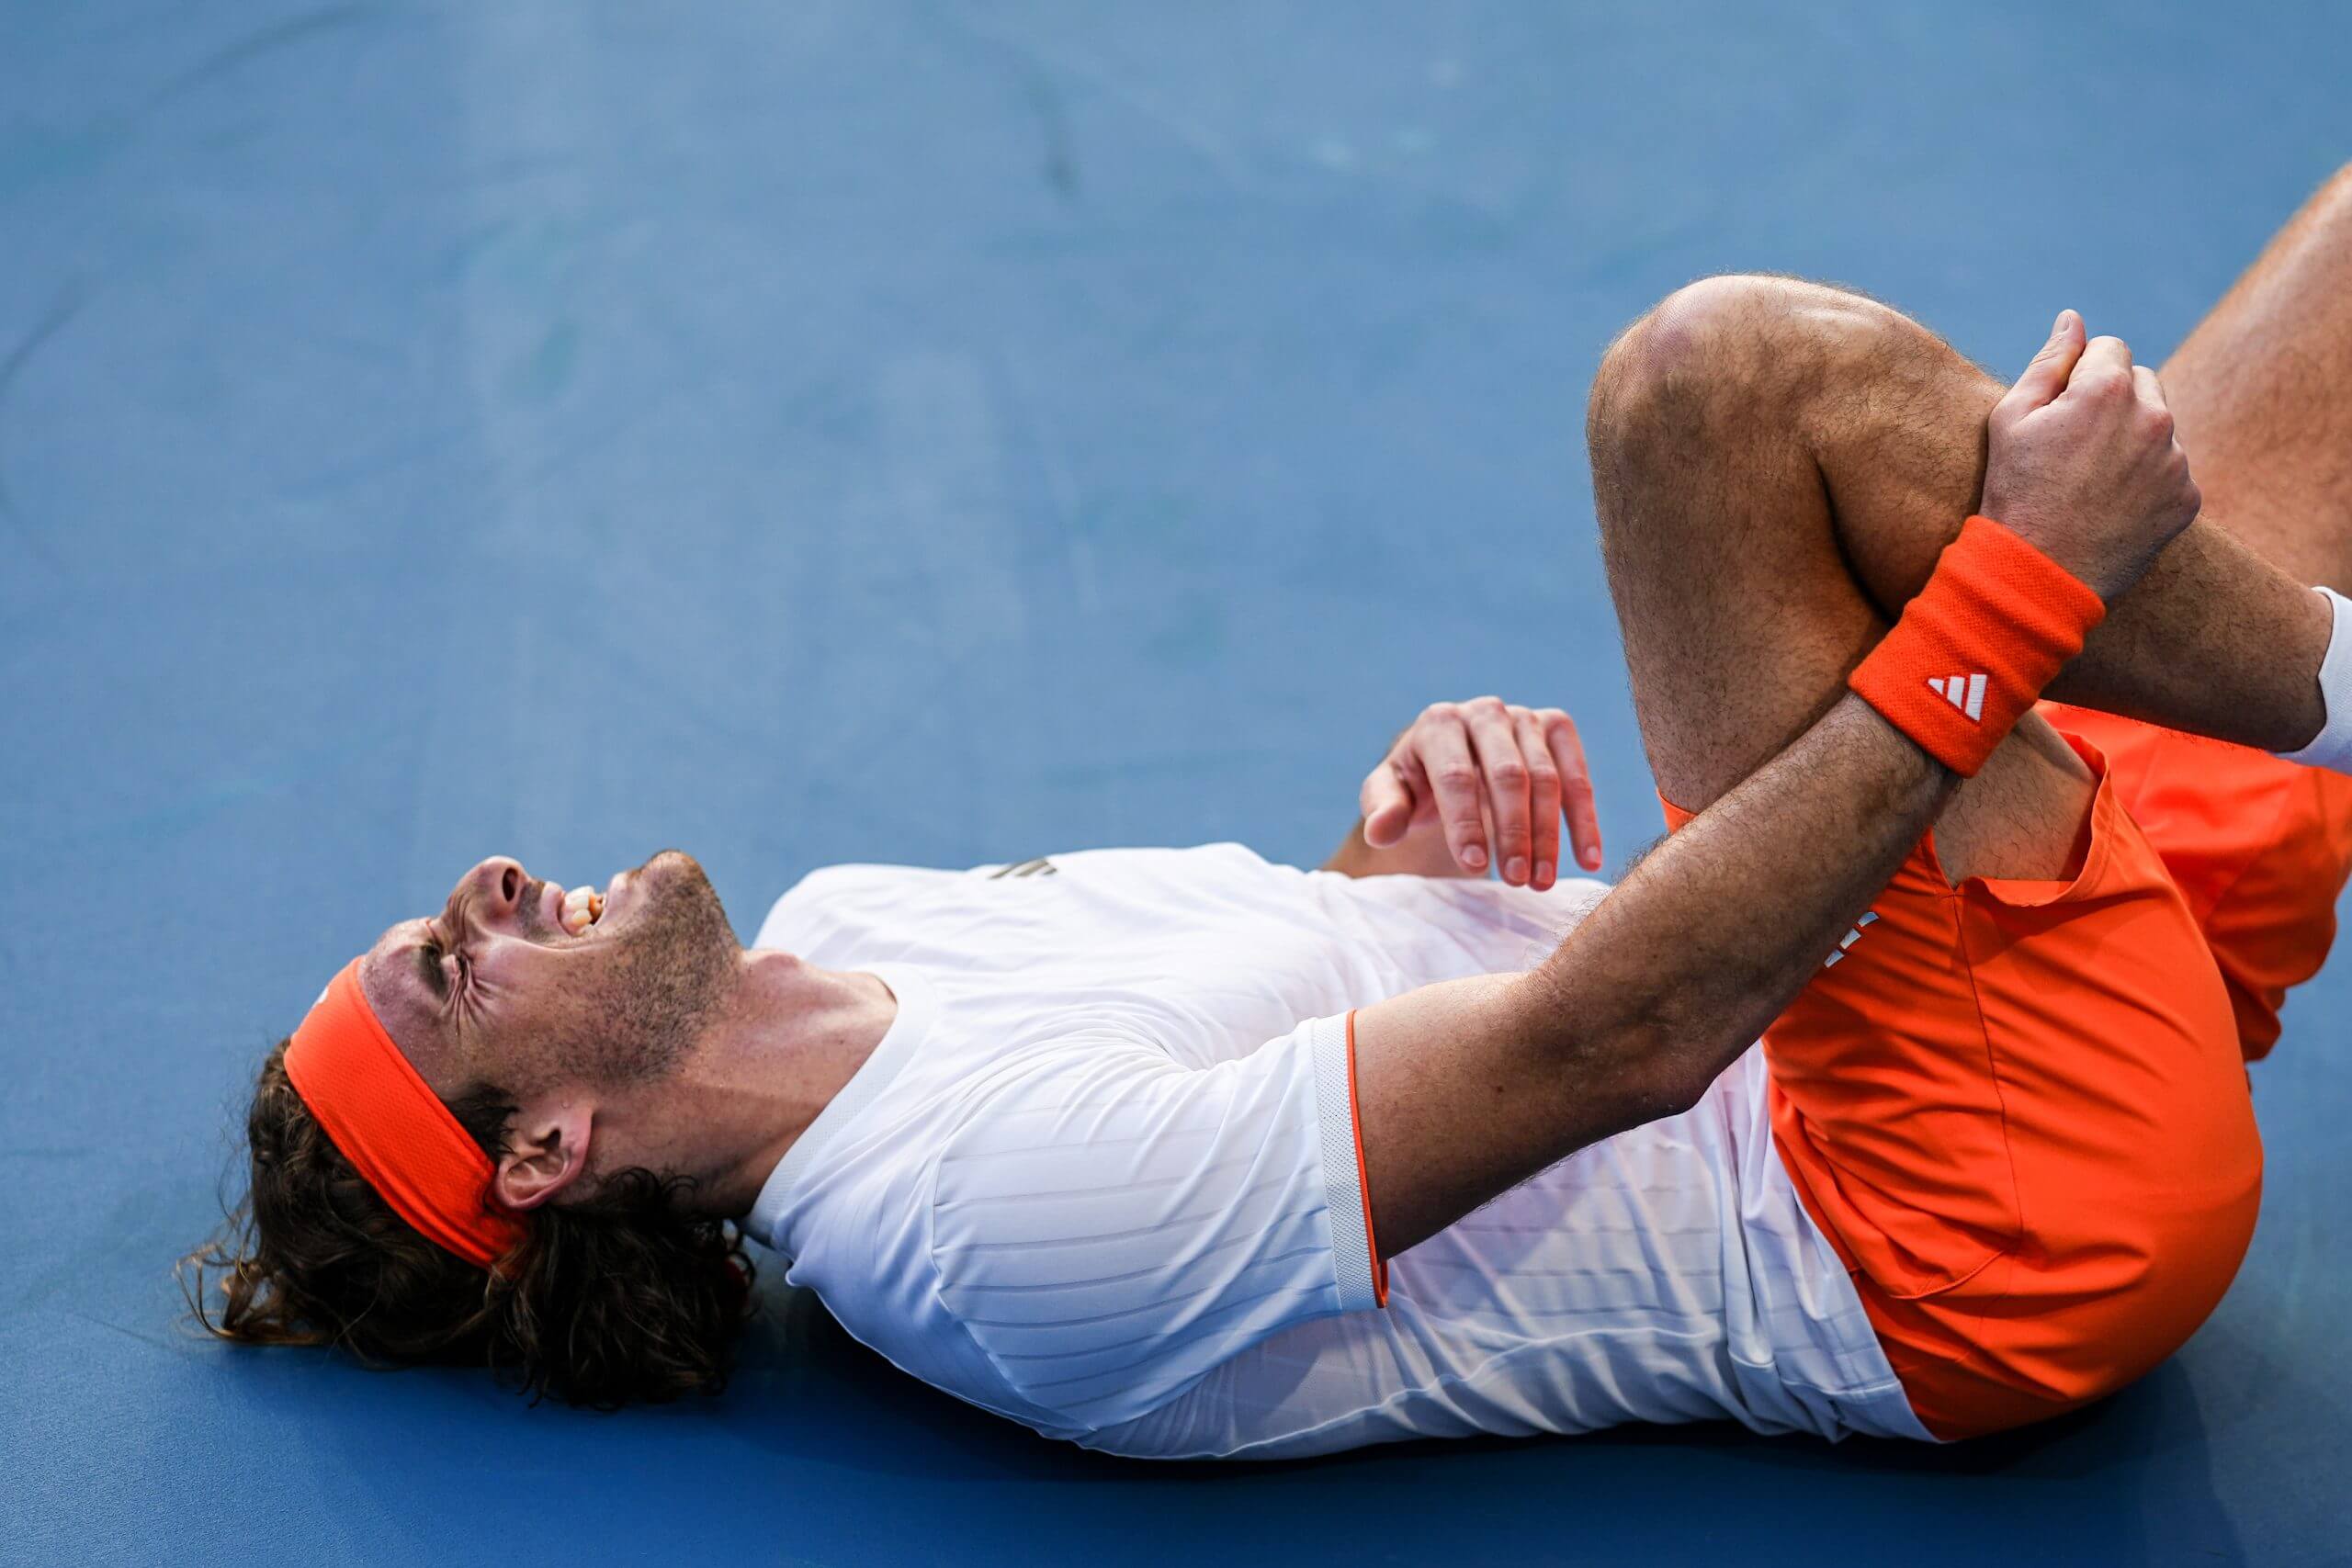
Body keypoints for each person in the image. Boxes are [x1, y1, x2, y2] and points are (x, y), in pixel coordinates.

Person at [186, 165, 2352, 1458]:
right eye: (454, 973)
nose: (477, 891)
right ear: (550, 1149)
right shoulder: (981, 1231)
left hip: (1887, 980)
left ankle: (2314, 675)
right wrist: (2014, 596)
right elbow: (1618, 1040)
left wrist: (1382, 868)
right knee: (1707, 397)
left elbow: (1240, 1040)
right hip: (1948, 1204)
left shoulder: (859, 919)